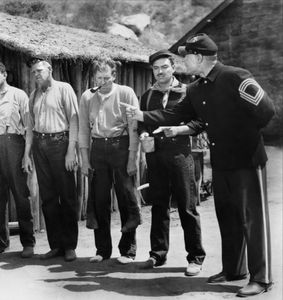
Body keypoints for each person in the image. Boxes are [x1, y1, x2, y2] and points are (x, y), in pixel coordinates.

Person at [125, 33, 275, 297]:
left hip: (247, 160)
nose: (183, 61)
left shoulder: (235, 76)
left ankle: (261, 279)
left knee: (253, 220)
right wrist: (142, 115)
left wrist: (242, 138)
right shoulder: (196, 88)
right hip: (221, 163)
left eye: (186, 56)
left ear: (198, 57)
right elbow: (175, 115)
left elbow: (266, 110)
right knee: (228, 218)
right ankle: (234, 270)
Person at [137, 50, 205, 276]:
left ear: (173, 68)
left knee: (187, 206)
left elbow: (199, 122)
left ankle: (195, 257)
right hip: (155, 157)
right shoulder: (147, 96)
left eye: (164, 67)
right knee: (158, 205)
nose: (160, 72)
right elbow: (143, 123)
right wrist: (144, 134)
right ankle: (157, 253)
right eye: (156, 68)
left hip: (180, 155)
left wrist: (180, 129)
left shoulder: (187, 92)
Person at [78, 58, 141, 264]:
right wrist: (85, 159)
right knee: (99, 201)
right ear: (93, 77)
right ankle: (102, 249)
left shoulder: (125, 93)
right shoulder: (88, 97)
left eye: (107, 77)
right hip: (98, 148)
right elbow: (84, 130)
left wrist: (132, 157)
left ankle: (127, 251)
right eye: (99, 77)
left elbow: (134, 127)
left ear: (114, 75)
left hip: (121, 146)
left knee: (126, 197)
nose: (103, 81)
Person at [0, 59, 35, 258]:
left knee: (21, 195)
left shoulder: (18, 95)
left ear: (4, 75)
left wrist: (26, 155)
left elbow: (28, 128)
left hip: (14, 145)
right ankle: (0, 242)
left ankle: (28, 243)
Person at [26, 58, 79, 262]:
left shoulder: (64, 89)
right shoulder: (34, 95)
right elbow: (31, 127)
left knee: (67, 196)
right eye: (33, 72)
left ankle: (69, 246)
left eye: (40, 70)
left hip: (60, 143)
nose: (37, 74)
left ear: (50, 70)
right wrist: (28, 154)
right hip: (40, 145)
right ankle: (55, 245)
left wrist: (71, 151)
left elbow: (74, 120)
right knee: (48, 198)